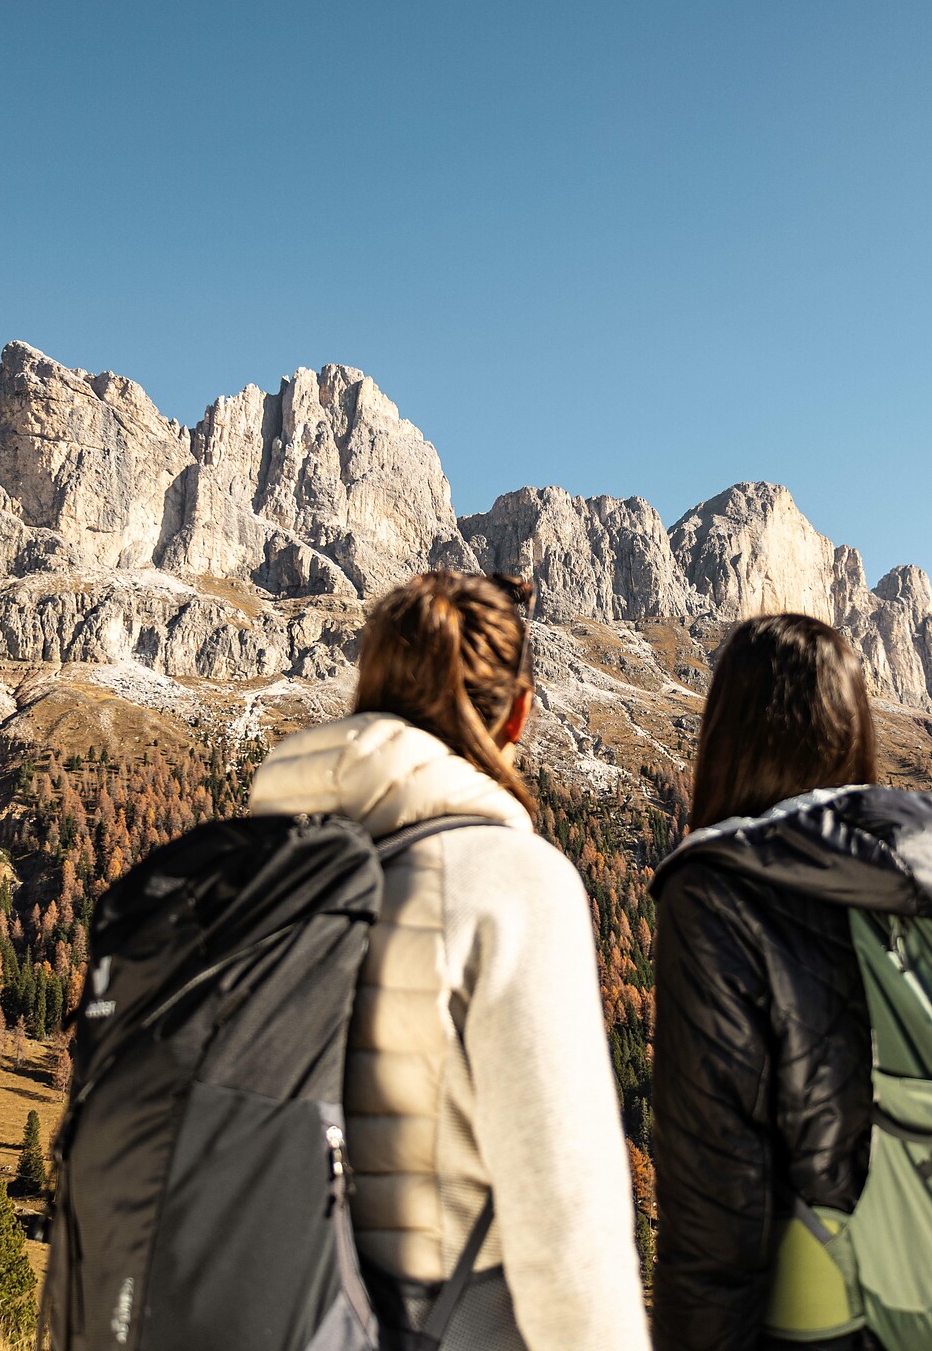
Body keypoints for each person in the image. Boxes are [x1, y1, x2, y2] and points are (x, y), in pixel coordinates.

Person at [249, 570, 652, 1351]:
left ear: (367, 694)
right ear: (520, 713)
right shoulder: (510, 880)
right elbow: (570, 1227)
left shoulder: (256, 870)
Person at [648, 614, 932, 1351]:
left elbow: (716, 1203)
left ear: (727, 736)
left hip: (823, 1319)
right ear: (857, 730)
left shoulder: (717, 890)